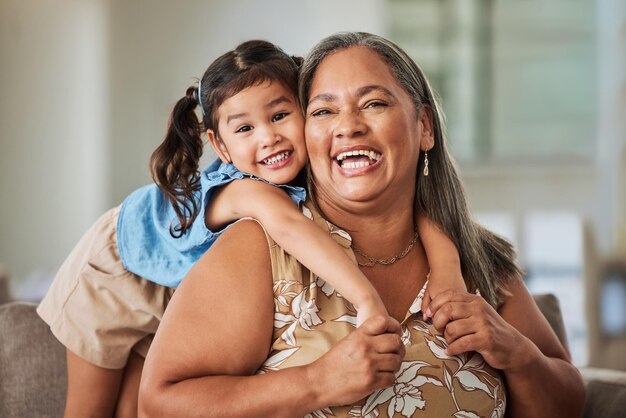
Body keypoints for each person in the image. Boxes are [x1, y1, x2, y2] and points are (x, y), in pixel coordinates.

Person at [138, 32, 585, 418]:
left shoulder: (476, 258)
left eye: (373, 103)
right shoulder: (261, 244)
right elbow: (159, 404)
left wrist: (517, 353)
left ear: (424, 126)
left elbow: (570, 403)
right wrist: (315, 383)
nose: (348, 127)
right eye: (324, 111)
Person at [37, 40, 464, 417]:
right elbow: (292, 230)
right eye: (245, 128)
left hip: (172, 279)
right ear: (220, 145)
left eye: (280, 115)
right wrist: (367, 300)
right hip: (114, 270)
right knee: (89, 410)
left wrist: (447, 271)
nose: (268, 138)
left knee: (132, 408)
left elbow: (421, 211)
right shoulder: (248, 192)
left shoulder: (314, 172)